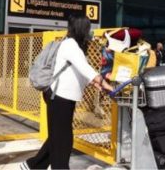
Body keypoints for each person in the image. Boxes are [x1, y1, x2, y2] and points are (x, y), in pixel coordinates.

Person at [23, 15, 113, 169]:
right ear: (81, 29)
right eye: (87, 28)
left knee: (57, 137)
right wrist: (104, 83)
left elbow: (78, 72)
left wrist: (95, 83)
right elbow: (85, 68)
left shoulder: (76, 46)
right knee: (63, 141)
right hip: (58, 97)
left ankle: (33, 165)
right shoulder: (70, 44)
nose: (89, 31)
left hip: (64, 98)